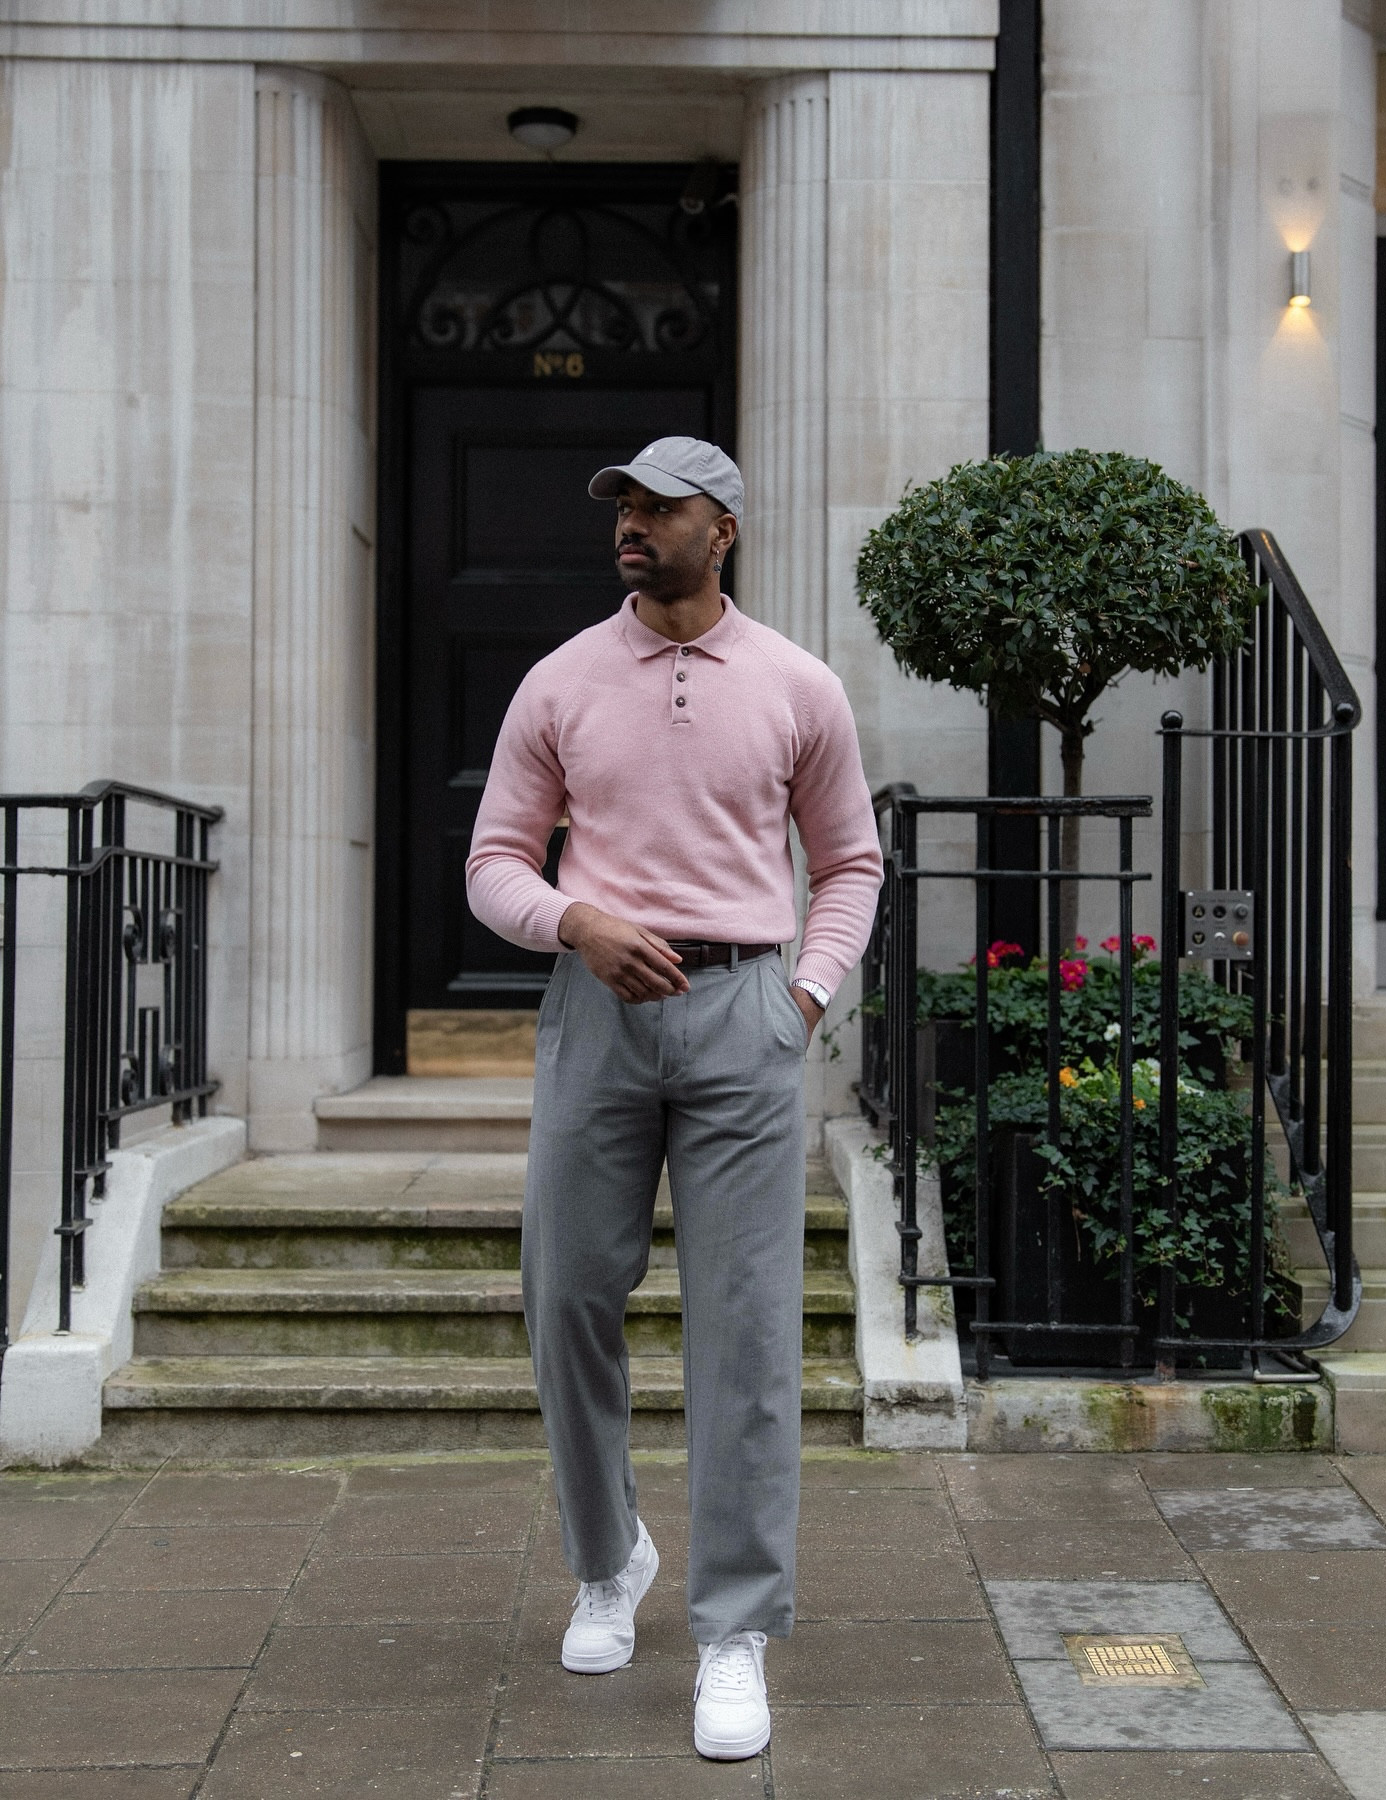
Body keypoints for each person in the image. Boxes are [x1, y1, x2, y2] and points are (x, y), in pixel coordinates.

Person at [466, 435, 883, 1761]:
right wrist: (574, 922)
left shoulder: (797, 687)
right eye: (624, 509)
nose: (632, 527)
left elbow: (853, 861)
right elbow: (492, 861)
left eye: (661, 509)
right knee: (567, 1293)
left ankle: (736, 1630)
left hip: (745, 1016)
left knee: (748, 1327)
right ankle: (610, 1560)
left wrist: (803, 999)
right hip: (598, 1014)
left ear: (727, 530)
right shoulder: (562, 681)